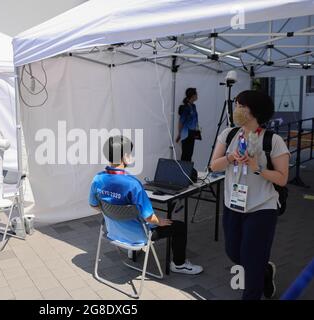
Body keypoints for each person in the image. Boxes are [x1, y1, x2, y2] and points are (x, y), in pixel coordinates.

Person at [210, 90, 290, 300]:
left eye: (239, 105)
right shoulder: (228, 134)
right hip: (232, 204)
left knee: (252, 259)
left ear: (252, 110)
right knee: (233, 251)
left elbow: (282, 178)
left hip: (262, 207)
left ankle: (254, 286)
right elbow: (213, 166)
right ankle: (265, 271)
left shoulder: (273, 140)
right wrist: (230, 158)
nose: (236, 109)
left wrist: (257, 168)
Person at [89, 135, 203, 275]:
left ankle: (132, 252)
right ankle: (179, 265)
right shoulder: (132, 184)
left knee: (132, 214)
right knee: (179, 226)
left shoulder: (97, 179)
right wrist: (159, 221)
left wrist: (113, 211)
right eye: (130, 153)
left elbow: (94, 206)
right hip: (138, 237)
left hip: (113, 232)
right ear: (125, 156)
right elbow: (149, 218)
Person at [176, 88, 200, 162]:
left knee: (190, 154)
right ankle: (183, 170)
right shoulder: (185, 108)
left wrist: (197, 130)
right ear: (192, 96)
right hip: (186, 133)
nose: (197, 95)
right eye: (196, 94)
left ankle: (188, 171)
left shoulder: (193, 106)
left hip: (192, 133)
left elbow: (195, 120)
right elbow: (181, 122)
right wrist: (179, 134)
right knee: (185, 154)